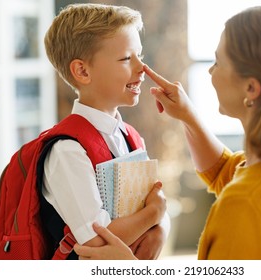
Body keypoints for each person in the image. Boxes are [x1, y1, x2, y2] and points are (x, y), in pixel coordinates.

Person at [74, 6, 261, 260]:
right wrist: (187, 115)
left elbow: (241, 191)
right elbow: (226, 172)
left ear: (251, 89)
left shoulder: (243, 208)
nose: (210, 70)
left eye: (218, 62)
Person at [43, 3, 169, 260]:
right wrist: (154, 215)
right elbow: (98, 240)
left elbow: (153, 210)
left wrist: (160, 229)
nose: (141, 68)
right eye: (126, 58)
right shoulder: (66, 150)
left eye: (140, 56)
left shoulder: (131, 137)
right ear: (82, 71)